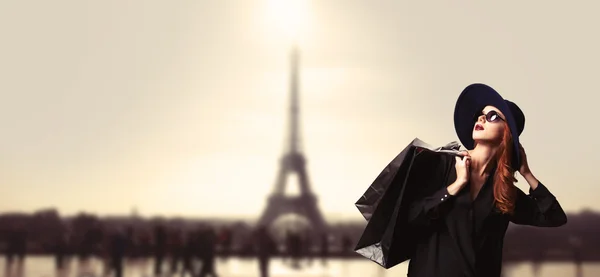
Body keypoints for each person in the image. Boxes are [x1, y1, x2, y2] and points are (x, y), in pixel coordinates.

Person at [405, 83, 567, 277]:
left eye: (492, 116)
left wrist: (526, 173)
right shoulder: (443, 163)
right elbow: (411, 217)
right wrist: (455, 187)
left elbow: (555, 217)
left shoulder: (504, 191)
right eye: (480, 114)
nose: (481, 118)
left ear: (506, 133)